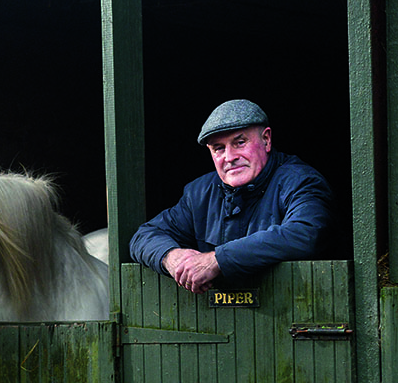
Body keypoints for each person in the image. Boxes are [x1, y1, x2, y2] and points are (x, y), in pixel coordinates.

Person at [129, 99, 332, 293]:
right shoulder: (199, 193)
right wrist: (171, 258)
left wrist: (217, 260)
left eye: (240, 142)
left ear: (266, 140)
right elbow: (144, 236)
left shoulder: (299, 181)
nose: (230, 157)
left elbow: (305, 233)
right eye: (219, 148)